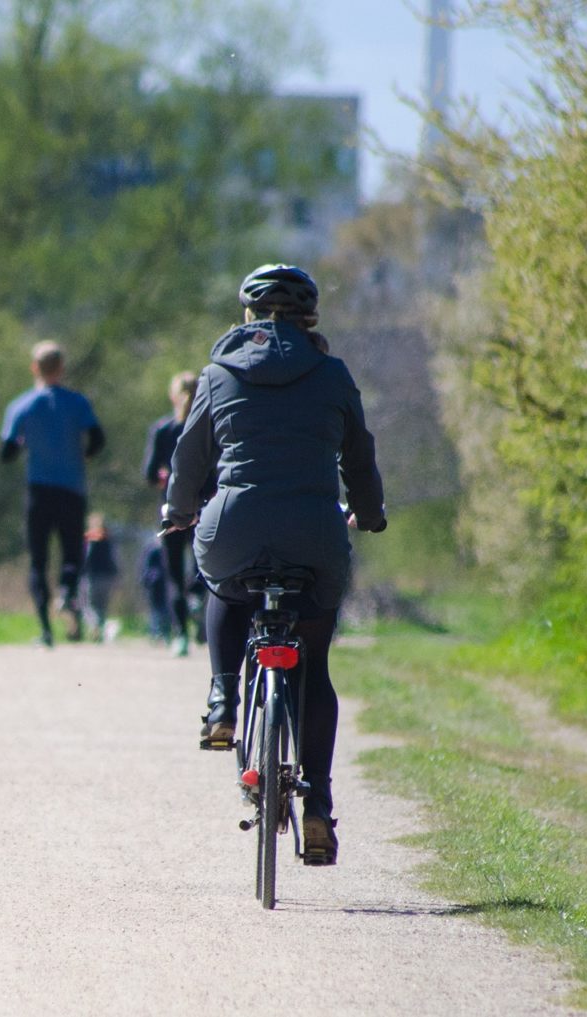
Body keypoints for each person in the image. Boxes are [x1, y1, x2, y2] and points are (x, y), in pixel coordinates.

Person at [162, 264, 386, 865]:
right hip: (315, 534)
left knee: (224, 585)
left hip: (235, 527)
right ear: (310, 319)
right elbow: (358, 459)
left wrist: (178, 512)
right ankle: (317, 804)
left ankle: (222, 700)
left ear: (248, 316)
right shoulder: (333, 374)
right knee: (315, 665)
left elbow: (188, 459)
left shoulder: (216, 373)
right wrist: (369, 512)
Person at [0, 341, 105, 647]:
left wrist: (23, 443)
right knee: (72, 552)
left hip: (38, 490)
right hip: (72, 488)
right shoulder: (78, 403)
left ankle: (46, 631)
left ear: (34, 368)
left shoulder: (21, 406)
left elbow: (6, 452)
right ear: (61, 368)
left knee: (38, 560)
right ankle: (67, 591)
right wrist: (82, 454)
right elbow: (98, 439)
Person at [142, 371, 203, 657]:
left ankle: (181, 635)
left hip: (172, 510)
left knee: (174, 575)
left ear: (172, 395)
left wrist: (164, 477)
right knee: (205, 566)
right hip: (204, 508)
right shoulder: (208, 427)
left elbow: (150, 473)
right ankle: (198, 599)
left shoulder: (163, 429)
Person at [81, 513, 119, 642]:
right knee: (102, 606)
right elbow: (114, 558)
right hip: (107, 577)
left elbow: (86, 557)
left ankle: (96, 626)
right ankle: (101, 632)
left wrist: (82, 570)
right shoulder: (109, 538)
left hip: (93, 576)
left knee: (88, 605)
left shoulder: (90, 538)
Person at [138, 540, 172, 644]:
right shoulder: (155, 550)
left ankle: (159, 633)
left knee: (159, 610)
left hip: (159, 585)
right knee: (158, 610)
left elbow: (144, 570)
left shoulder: (153, 550)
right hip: (157, 585)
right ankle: (159, 633)